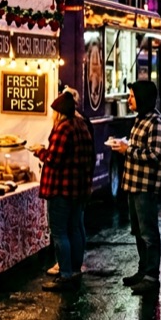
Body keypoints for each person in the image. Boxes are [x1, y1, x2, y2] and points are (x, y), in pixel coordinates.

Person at [34, 91, 95, 292]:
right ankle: (76, 269)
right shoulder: (82, 125)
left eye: (53, 112)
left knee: (59, 232)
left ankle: (66, 275)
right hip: (79, 189)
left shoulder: (62, 129)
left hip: (61, 189)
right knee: (76, 228)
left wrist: (39, 152)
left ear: (59, 112)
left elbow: (55, 159)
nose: (52, 116)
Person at [113, 80, 161, 296]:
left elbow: (156, 155)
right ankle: (142, 270)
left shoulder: (156, 122)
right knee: (138, 231)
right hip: (134, 184)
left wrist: (128, 150)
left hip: (146, 186)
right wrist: (126, 145)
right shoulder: (141, 119)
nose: (129, 100)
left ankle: (151, 277)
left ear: (143, 98)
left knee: (149, 233)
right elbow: (140, 147)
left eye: (132, 96)